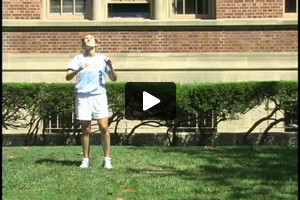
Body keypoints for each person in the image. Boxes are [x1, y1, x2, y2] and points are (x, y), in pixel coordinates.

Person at [66, 34, 117, 168]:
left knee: (104, 126)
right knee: (86, 129)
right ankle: (85, 160)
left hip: (99, 95)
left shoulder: (103, 59)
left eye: (91, 38)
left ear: (96, 43)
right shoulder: (78, 59)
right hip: (83, 96)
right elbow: (67, 77)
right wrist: (79, 68)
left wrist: (111, 68)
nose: (88, 39)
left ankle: (107, 159)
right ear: (83, 45)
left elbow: (113, 78)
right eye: (85, 39)